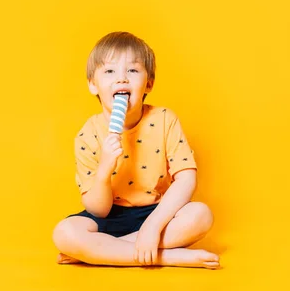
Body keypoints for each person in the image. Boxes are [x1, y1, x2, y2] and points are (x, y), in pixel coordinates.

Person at [52, 32, 220, 269]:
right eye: (109, 71)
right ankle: (167, 257)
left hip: (158, 211)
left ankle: (105, 251)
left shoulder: (164, 119)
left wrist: (152, 226)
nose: (121, 79)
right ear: (93, 84)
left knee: (201, 215)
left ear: (148, 84)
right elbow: (98, 209)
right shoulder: (87, 134)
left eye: (132, 71)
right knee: (65, 233)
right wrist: (104, 170)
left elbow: (186, 178)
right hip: (110, 216)